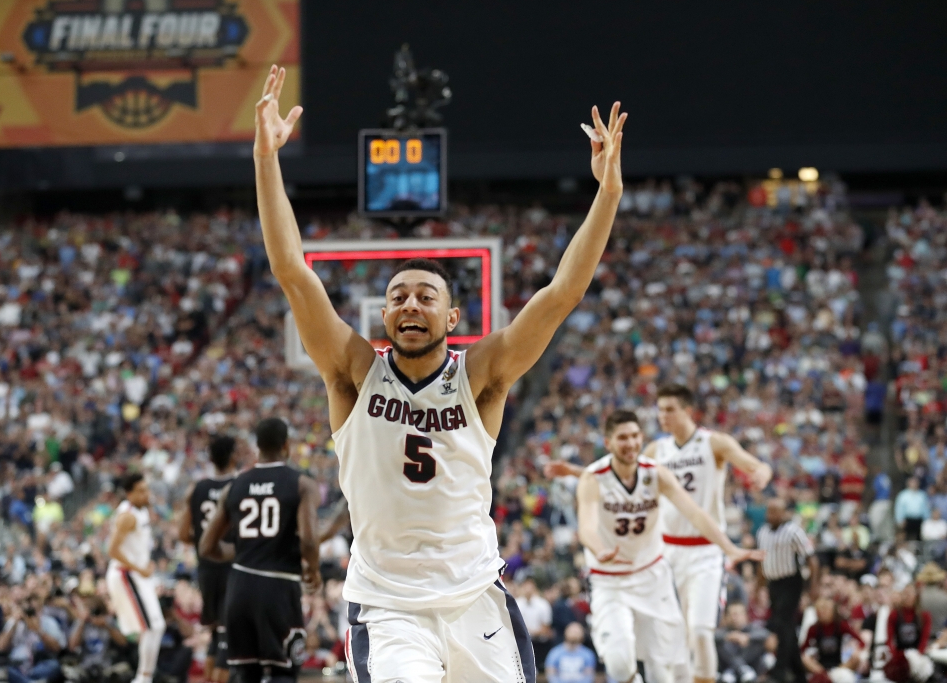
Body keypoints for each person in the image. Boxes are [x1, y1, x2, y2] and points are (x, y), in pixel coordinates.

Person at [252, 62, 628, 683]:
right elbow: (293, 271)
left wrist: (607, 194)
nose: (409, 305)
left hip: (475, 593)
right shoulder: (352, 373)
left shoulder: (481, 374)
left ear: (454, 315)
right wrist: (267, 158)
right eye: (398, 295)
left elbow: (561, 294)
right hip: (390, 605)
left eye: (425, 296)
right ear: (383, 312)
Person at [575, 410, 762, 683]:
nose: (630, 443)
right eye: (622, 438)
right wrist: (599, 548)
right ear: (609, 443)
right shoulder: (593, 478)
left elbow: (695, 513)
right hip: (609, 580)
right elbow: (586, 527)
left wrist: (728, 547)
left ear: (642, 438)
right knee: (617, 663)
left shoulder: (656, 474)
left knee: (665, 667)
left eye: (635, 436)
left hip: (652, 577)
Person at [650, 383, 773, 683]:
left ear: (688, 410)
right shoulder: (656, 450)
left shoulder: (714, 442)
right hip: (667, 551)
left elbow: (756, 465)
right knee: (673, 634)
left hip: (706, 549)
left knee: (702, 632)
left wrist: (761, 474)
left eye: (670, 409)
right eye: (660, 409)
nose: (662, 416)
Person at [199, 418, 321, 683]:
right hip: (278, 586)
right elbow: (309, 541)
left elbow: (207, 546)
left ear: (257, 446)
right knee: (283, 670)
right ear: (287, 445)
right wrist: (313, 569)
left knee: (245, 672)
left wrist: (245, 553)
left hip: (239, 586)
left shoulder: (235, 485)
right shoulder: (302, 484)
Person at [178, 435, 238, 683]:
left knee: (215, 635)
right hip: (232, 567)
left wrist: (205, 542)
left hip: (206, 570)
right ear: (233, 456)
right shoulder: (239, 486)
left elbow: (183, 534)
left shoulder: (197, 488)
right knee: (228, 634)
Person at [105, 473, 165, 683]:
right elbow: (112, 550)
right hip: (125, 575)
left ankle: (144, 676)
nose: (146, 494)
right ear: (129, 494)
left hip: (136, 574)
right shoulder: (127, 516)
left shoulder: (142, 510)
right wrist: (139, 568)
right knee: (152, 627)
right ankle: (143, 678)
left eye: (146, 489)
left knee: (155, 626)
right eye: (141, 491)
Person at [756, 499, 820, 683]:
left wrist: (813, 586)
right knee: (786, 627)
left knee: (782, 624)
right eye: (769, 511)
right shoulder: (762, 532)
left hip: (791, 582)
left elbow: (812, 560)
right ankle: (799, 673)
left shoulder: (794, 532)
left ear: (784, 513)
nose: (772, 515)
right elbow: (762, 562)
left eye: (776, 512)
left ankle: (779, 671)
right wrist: (758, 586)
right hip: (773, 583)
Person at [800, 598, 864, 683]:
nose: (823, 613)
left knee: (856, 657)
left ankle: (831, 674)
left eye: (826, 610)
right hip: (820, 667)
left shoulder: (841, 625)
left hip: (840, 666)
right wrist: (811, 658)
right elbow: (803, 649)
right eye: (820, 610)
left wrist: (856, 651)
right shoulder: (814, 628)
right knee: (804, 658)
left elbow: (860, 641)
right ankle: (824, 675)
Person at [715, 602, 775, 683]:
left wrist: (747, 637)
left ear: (745, 616)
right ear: (726, 617)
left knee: (758, 641)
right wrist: (729, 636)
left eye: (737, 614)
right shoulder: (724, 631)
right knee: (719, 642)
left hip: (750, 665)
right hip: (727, 667)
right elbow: (712, 636)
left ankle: (736, 670)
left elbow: (766, 634)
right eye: (732, 614)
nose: (734, 618)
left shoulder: (751, 628)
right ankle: (741, 668)